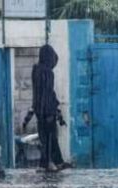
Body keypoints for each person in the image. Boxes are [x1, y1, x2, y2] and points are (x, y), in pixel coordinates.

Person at [31, 44, 71, 172]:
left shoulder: (36, 70)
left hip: (39, 110)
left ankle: (54, 162)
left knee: (46, 139)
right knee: (50, 138)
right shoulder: (48, 72)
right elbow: (48, 93)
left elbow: (40, 93)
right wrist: (52, 112)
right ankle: (47, 164)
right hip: (47, 110)